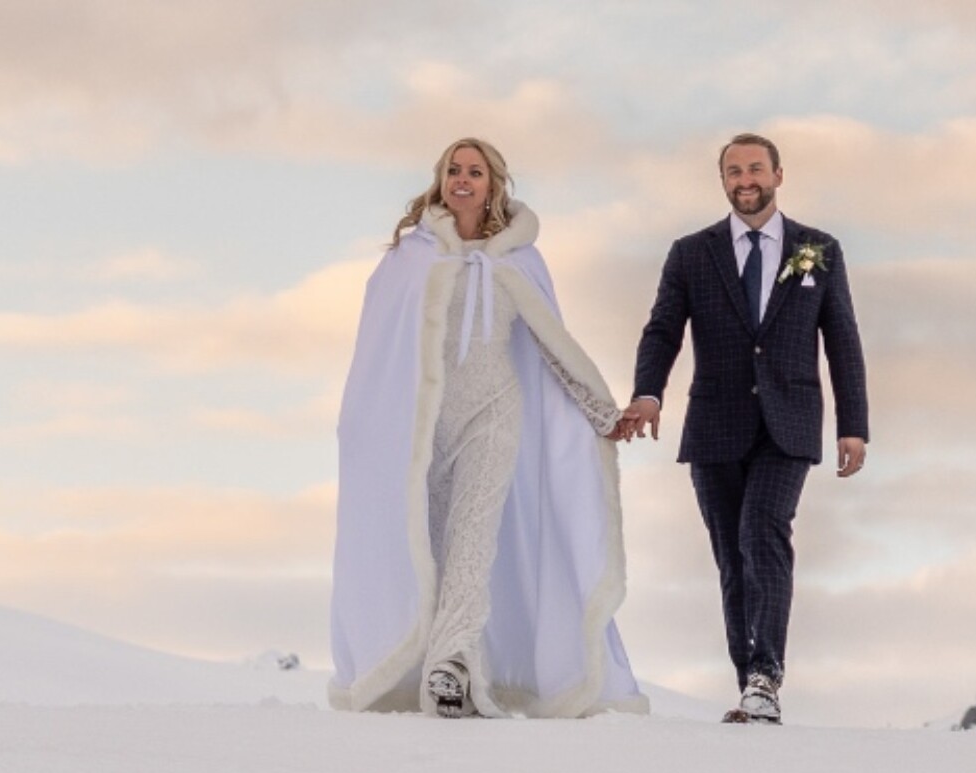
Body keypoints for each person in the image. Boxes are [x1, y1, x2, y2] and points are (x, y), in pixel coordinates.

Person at [330, 138, 647, 719]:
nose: (463, 179)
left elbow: (555, 345)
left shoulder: (516, 259)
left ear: (493, 184)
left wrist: (604, 412)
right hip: (421, 427)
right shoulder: (411, 256)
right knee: (426, 546)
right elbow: (377, 350)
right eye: (454, 169)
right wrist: (361, 424)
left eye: (475, 171)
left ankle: (450, 670)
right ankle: (439, 664)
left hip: (494, 413)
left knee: (474, 541)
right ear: (441, 179)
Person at [622, 133, 869, 724]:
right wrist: (648, 393)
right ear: (723, 181)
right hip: (714, 424)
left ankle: (766, 677)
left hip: (790, 422)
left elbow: (843, 341)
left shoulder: (820, 249)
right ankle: (750, 686)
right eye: (733, 171)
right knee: (732, 558)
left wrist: (853, 425)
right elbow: (663, 330)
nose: (744, 179)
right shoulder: (690, 253)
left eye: (755, 168)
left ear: (778, 175)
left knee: (764, 532)